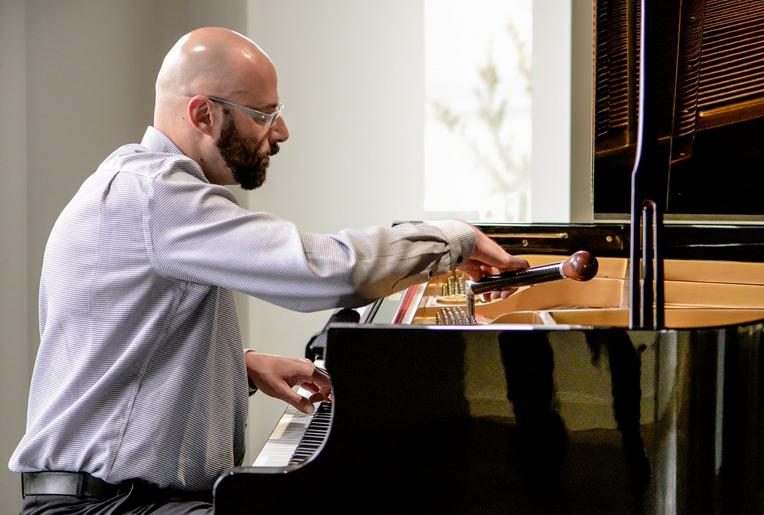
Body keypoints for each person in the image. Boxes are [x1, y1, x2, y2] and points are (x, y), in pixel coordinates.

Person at [9, 27, 529, 514]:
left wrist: (241, 365)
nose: (280, 131)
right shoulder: (158, 197)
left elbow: (116, 337)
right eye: (263, 114)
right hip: (108, 506)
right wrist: (455, 237)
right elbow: (330, 273)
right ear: (203, 114)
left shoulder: (134, 187)